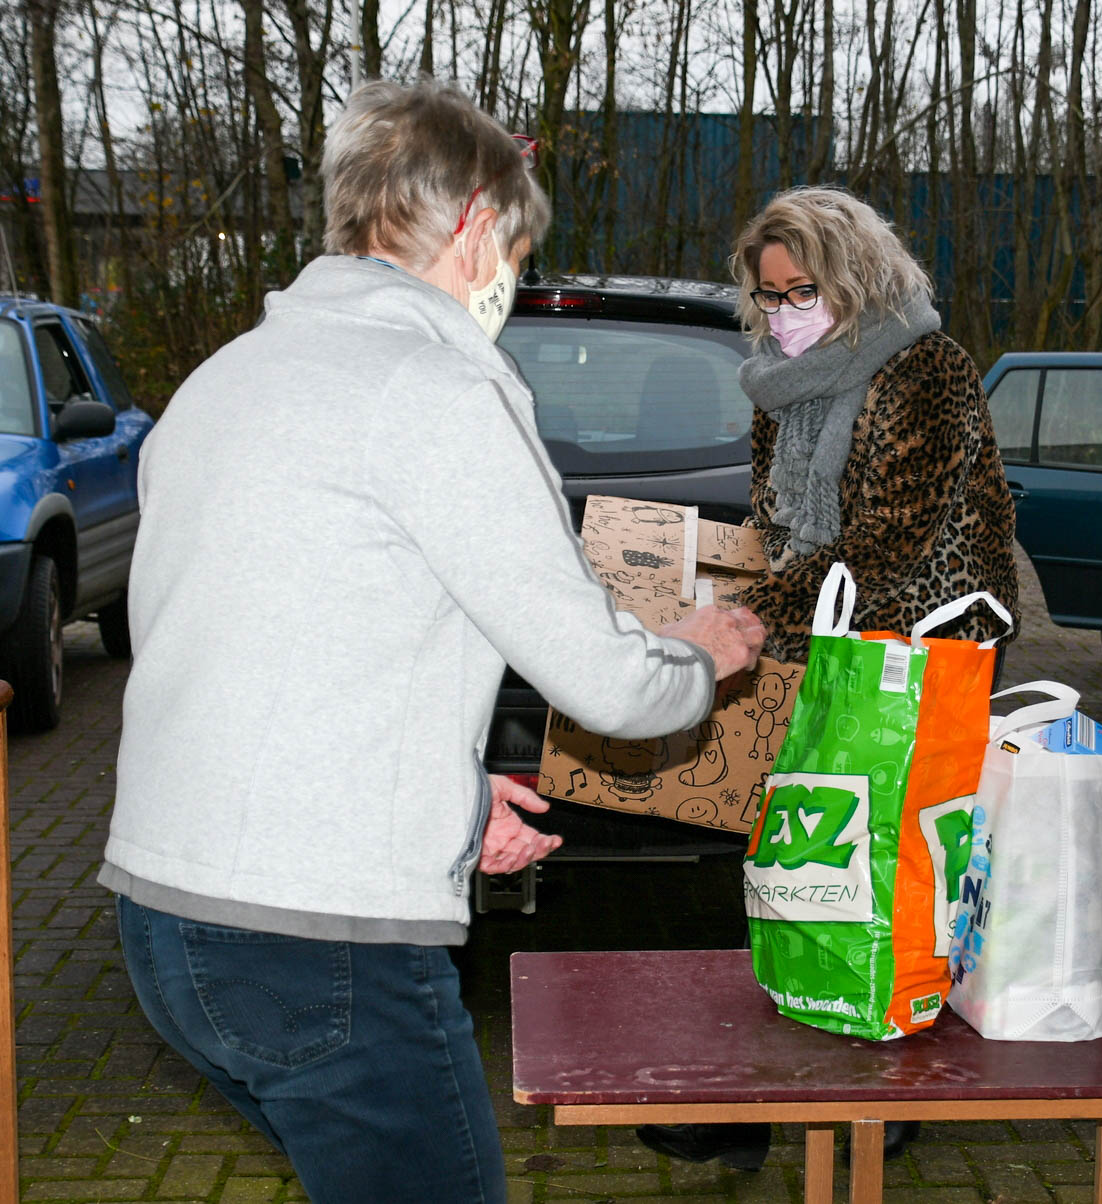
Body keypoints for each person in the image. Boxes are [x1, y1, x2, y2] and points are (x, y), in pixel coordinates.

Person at [99, 80, 764, 1204]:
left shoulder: (224, 380)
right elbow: (605, 680)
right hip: (320, 942)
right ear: (470, 222)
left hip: (164, 917)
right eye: (513, 241)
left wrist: (452, 808)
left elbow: (279, 658)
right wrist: (701, 652)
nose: (511, 272)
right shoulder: (440, 380)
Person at [637, 185, 1019, 1172]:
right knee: (786, 867)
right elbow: (778, 522)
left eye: (800, 291)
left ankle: (879, 1098)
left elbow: (887, 539)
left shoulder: (924, 369)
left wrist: (745, 613)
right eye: (767, 296)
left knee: (886, 876)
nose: (780, 313)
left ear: (852, 280)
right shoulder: (779, 384)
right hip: (820, 640)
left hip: (914, 656)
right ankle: (744, 1103)